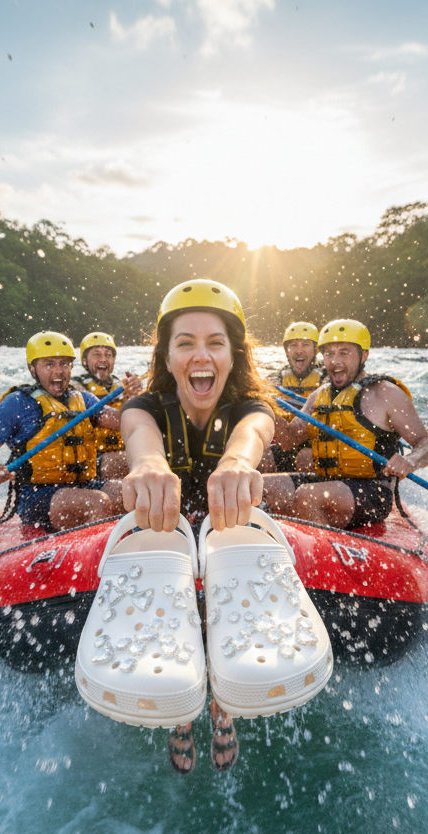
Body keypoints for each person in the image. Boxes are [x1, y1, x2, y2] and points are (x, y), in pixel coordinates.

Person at [120, 279, 276, 773]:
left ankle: (223, 699)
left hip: (221, 526)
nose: (199, 355)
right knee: (165, 550)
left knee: (228, 542)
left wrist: (236, 462)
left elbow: (252, 435)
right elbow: (139, 438)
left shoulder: (251, 409)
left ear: (234, 357)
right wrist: (146, 466)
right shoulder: (144, 407)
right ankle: (180, 703)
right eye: (184, 343)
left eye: (215, 343)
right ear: (167, 359)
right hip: (168, 525)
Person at [263, 318, 428, 528]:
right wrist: (262, 404)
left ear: (364, 355)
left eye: (344, 353)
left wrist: (409, 461)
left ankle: (319, 550)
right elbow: (290, 439)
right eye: (329, 353)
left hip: (373, 491)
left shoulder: (386, 393)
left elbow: (426, 446)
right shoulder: (318, 396)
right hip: (327, 480)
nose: (335, 361)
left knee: (307, 496)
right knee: (261, 485)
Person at [0, 331, 123, 531]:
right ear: (32, 369)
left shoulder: (84, 400)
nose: (59, 371)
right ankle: (100, 556)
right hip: (37, 495)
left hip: (83, 484)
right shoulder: (16, 404)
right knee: (97, 502)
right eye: (49, 364)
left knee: (126, 491)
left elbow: (120, 419)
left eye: (65, 364)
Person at [72, 331, 143, 479]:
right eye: (97, 354)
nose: (103, 359)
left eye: (108, 355)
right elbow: (108, 415)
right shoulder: (74, 385)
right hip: (89, 461)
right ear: (85, 361)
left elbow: (137, 422)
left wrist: (134, 397)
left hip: (118, 453)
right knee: (130, 462)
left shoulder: (120, 385)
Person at [266, 321, 322, 472]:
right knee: (263, 458)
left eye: (305, 344)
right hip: (284, 442)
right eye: (293, 345)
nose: (299, 351)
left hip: (314, 445)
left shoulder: (327, 380)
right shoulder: (274, 380)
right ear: (286, 351)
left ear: (316, 349)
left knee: (305, 458)